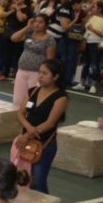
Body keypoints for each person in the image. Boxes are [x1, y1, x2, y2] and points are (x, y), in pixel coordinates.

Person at [13, 59, 68, 194]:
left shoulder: (61, 97)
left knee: (38, 181)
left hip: (44, 144)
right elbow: (20, 113)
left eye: (45, 73)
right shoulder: (32, 91)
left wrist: (27, 134)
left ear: (55, 77)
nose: (40, 76)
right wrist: (28, 129)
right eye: (39, 73)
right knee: (23, 178)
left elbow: (50, 123)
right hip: (26, 140)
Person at [10, 14, 56, 107]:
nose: (37, 24)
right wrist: (27, 27)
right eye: (36, 21)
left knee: (31, 101)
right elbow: (14, 38)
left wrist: (44, 75)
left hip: (36, 73)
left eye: (40, 22)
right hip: (22, 70)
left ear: (46, 25)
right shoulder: (29, 33)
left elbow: (50, 60)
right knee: (17, 100)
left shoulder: (50, 39)